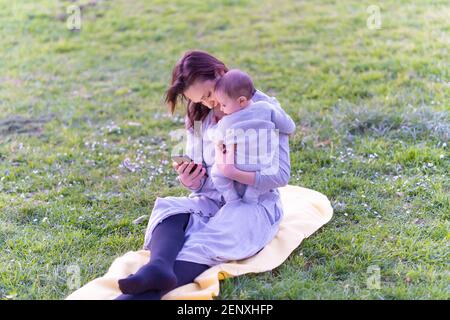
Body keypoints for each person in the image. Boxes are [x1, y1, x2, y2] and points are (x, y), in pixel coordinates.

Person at [115, 50, 293, 300]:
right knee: (170, 210)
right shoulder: (200, 116)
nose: (208, 104)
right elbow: (200, 178)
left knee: (207, 241)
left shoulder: (264, 112)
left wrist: (233, 172)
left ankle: (143, 294)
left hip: (251, 203)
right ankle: (158, 267)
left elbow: (282, 175)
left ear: (221, 73)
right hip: (212, 200)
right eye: (199, 100)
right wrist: (192, 181)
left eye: (209, 95)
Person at [210, 69, 296, 203]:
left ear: (242, 101)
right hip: (263, 164)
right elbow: (289, 127)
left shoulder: (227, 121)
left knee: (216, 173)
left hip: (239, 164)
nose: (221, 109)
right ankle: (253, 194)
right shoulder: (266, 108)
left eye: (224, 104)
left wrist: (214, 133)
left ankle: (231, 197)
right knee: (262, 179)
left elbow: (216, 137)